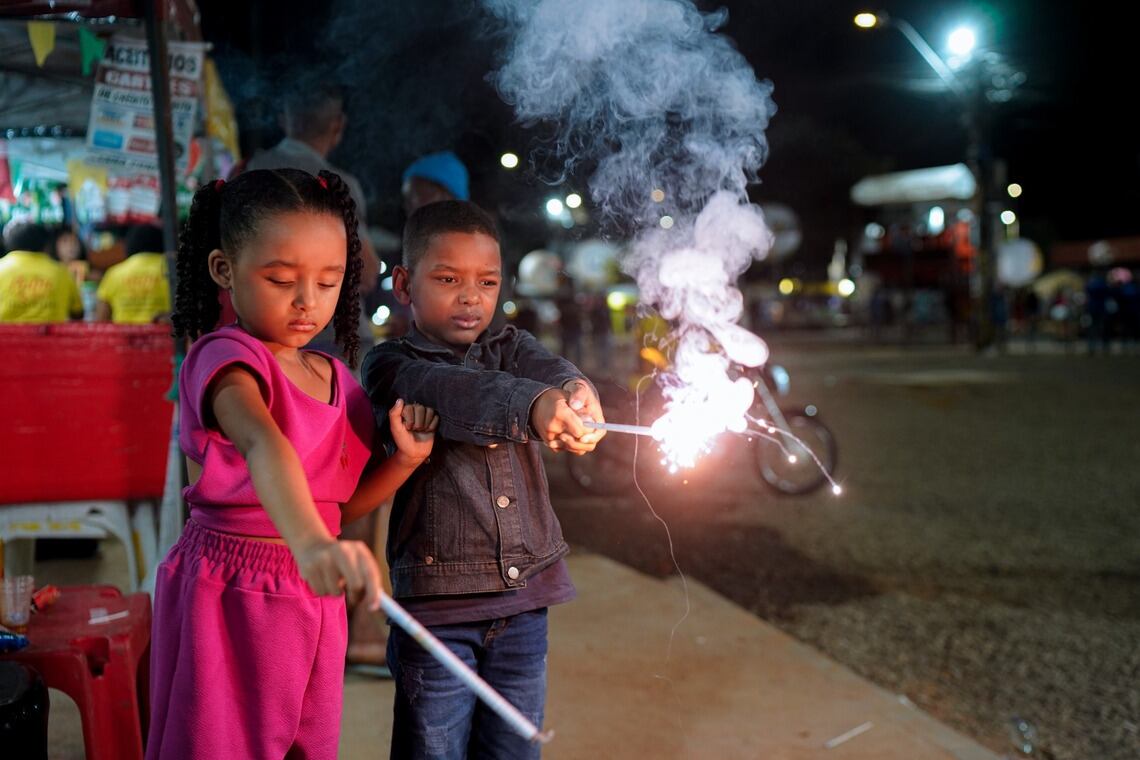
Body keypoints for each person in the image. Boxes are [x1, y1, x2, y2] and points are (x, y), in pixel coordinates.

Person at [146, 168, 438, 760]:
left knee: (305, 742)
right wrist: (309, 546)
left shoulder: (337, 382)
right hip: (231, 589)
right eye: (281, 279)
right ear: (224, 270)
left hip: (311, 595)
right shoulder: (225, 358)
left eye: (329, 283)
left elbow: (337, 507)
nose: (308, 302)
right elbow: (262, 442)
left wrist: (403, 462)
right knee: (220, 744)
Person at [361, 200, 606, 759]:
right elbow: (454, 392)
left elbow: (552, 370)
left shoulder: (512, 348)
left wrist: (573, 391)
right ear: (404, 283)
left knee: (513, 750)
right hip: (439, 610)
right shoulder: (391, 365)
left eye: (487, 282)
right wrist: (534, 405)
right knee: (433, 749)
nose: (471, 297)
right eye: (447, 279)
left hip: (525, 602)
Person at [244, 83, 380, 350]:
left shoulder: (246, 172)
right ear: (338, 126)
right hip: (333, 340)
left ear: (284, 119)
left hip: (262, 340)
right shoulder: (339, 184)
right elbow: (367, 272)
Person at [0, 221, 82, 323]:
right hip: (50, 338)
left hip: (5, 338)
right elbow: (77, 314)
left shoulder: (1, 269)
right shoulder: (61, 272)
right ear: (45, 244)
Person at [95, 224, 171, 323]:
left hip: (124, 337)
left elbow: (101, 319)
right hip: (165, 337)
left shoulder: (114, 273)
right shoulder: (173, 270)